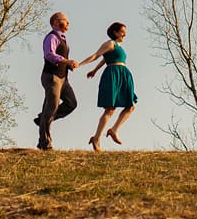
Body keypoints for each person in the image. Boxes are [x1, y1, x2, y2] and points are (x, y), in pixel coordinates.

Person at [77, 21, 138, 151]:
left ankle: (114, 130)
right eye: (122, 31)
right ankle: (97, 138)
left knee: (131, 106)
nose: (124, 34)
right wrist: (81, 64)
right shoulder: (110, 43)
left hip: (123, 75)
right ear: (115, 32)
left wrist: (95, 70)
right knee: (110, 109)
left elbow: (104, 59)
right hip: (113, 75)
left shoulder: (118, 47)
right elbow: (97, 55)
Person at [35, 11, 79, 151]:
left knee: (71, 103)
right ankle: (45, 143)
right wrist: (66, 61)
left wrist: (68, 65)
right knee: (51, 107)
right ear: (55, 22)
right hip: (52, 77)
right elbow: (49, 54)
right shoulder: (51, 37)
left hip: (63, 78)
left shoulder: (63, 39)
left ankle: (43, 118)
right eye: (64, 20)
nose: (67, 23)